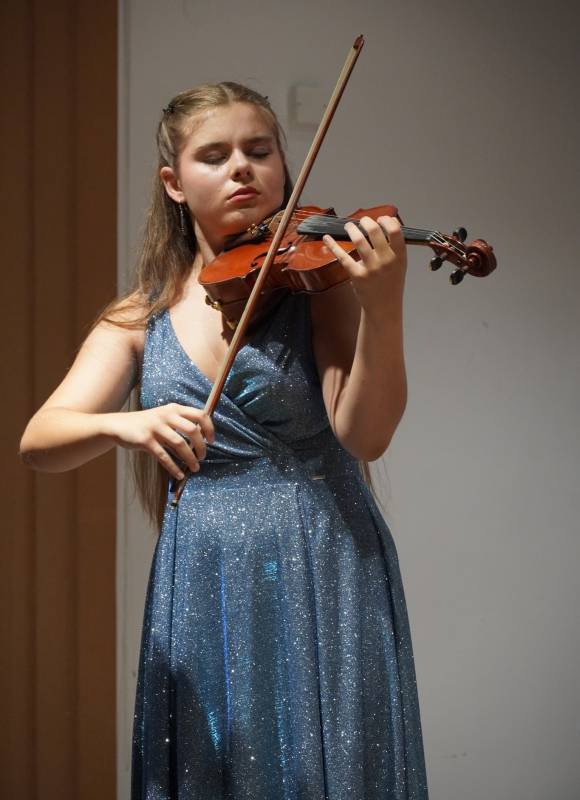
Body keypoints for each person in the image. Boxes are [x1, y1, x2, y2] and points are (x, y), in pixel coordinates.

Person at [20, 82, 428, 799]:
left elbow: (365, 436)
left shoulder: (319, 286)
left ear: (282, 166)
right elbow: (40, 440)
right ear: (173, 183)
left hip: (323, 553)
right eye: (215, 155)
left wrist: (384, 311)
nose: (242, 167)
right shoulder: (139, 317)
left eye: (259, 151)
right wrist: (124, 423)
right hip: (205, 573)